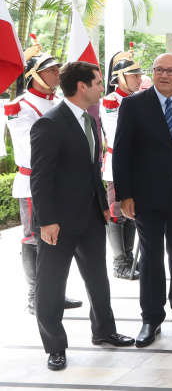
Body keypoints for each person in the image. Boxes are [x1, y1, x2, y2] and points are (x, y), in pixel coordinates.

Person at [31, 61, 135, 370]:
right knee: (51, 285)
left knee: (97, 278)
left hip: (90, 216)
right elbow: (40, 178)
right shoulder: (49, 123)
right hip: (58, 222)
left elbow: (93, 169)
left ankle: (104, 331)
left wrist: (103, 204)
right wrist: (47, 220)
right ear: (81, 87)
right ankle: (55, 347)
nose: (102, 87)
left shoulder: (90, 120)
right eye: (98, 82)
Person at [112, 53, 172, 346]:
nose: (164, 75)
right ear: (151, 73)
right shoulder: (133, 104)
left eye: (170, 71)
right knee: (152, 257)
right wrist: (124, 194)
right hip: (147, 194)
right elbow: (122, 151)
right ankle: (151, 318)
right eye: (158, 70)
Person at [5, 40, 82, 316]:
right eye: (50, 69)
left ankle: (53, 293)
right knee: (33, 238)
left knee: (57, 239)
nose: (57, 73)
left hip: (61, 182)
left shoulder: (59, 102)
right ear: (34, 76)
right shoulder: (19, 106)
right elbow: (30, 147)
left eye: (57, 68)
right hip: (33, 182)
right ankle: (34, 294)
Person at [100, 48, 144, 280]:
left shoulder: (137, 100)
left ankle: (130, 259)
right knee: (117, 214)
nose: (140, 79)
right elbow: (119, 134)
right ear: (120, 78)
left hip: (137, 165)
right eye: (134, 75)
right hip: (118, 164)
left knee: (131, 213)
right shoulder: (111, 101)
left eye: (139, 75)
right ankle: (120, 263)